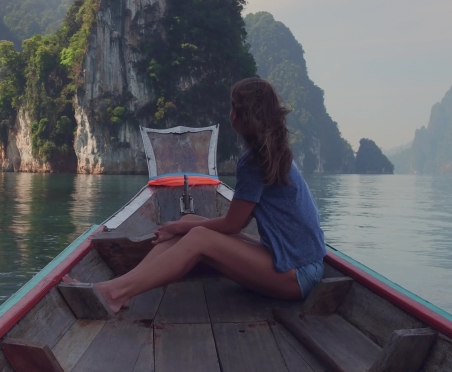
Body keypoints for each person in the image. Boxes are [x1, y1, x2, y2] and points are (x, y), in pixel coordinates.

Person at [72, 78, 326, 313]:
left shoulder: (255, 161)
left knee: (198, 236)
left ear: (238, 116)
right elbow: (238, 223)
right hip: (298, 263)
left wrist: (181, 231)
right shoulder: (274, 152)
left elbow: (234, 225)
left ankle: (115, 293)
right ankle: (124, 287)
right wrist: (181, 227)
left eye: (232, 107)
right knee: (187, 222)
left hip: (298, 274)